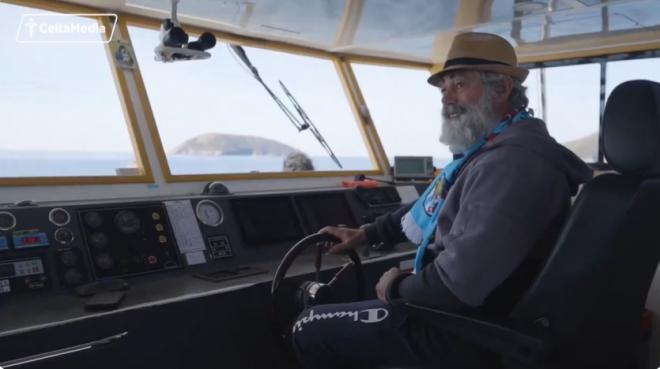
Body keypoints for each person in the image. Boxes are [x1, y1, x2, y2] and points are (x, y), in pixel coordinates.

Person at [292, 32, 593, 368]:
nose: (446, 98)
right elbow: (440, 206)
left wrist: (398, 287)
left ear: (502, 89)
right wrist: (369, 234)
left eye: (459, 84)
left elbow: (457, 285)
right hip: (487, 312)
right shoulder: (489, 153)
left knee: (309, 326)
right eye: (444, 88)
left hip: (471, 329)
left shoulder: (513, 165)